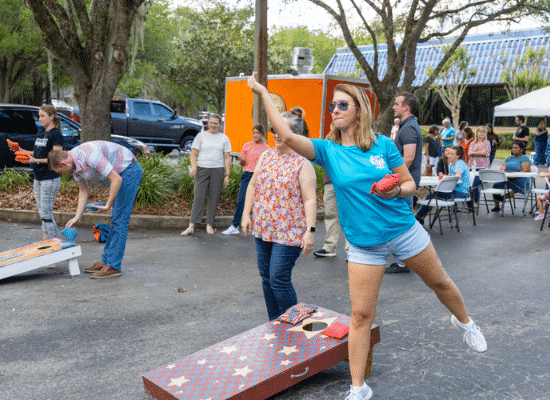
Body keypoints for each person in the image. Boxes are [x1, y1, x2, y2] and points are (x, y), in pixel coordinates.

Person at [247, 72, 487, 400]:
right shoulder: (328, 150)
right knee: (360, 316)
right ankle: (359, 388)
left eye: (342, 104)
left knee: (440, 283)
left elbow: (409, 184)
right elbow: (286, 136)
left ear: (359, 110)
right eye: (332, 105)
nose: (335, 109)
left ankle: (466, 324)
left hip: (403, 231)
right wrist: (262, 92)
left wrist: (395, 191)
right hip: (364, 244)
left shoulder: (384, 145)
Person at [241, 112, 317, 321]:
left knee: (278, 278)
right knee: (266, 278)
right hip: (263, 228)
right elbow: (253, 185)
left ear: (294, 134)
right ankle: (275, 323)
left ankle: (295, 324)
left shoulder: (303, 163)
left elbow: (310, 200)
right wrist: (246, 214)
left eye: (282, 129)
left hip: (289, 232)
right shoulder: (266, 156)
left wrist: (309, 232)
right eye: (275, 129)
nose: (275, 134)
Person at [47, 141, 143, 279]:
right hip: (119, 173)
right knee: (115, 219)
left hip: (129, 170)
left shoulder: (89, 155)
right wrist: (77, 216)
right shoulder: (74, 165)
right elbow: (83, 189)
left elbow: (117, 179)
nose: (62, 174)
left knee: (119, 220)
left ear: (63, 163)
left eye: (61, 172)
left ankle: (113, 266)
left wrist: (108, 205)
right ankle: (106, 262)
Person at [10, 105, 64, 239]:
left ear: (51, 117)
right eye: (39, 116)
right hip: (38, 177)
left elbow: (56, 159)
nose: (39, 119)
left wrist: (36, 161)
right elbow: (38, 152)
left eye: (42, 116)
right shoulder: (41, 132)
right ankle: (45, 242)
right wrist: (22, 151)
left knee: (46, 214)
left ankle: (52, 243)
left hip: (49, 178)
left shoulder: (56, 135)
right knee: (42, 213)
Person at [388, 92, 423, 274]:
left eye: (396, 104)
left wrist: (393, 177)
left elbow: (408, 158)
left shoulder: (409, 128)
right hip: (405, 181)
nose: (394, 107)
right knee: (403, 218)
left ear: (406, 107)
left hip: (405, 182)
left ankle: (404, 262)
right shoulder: (407, 126)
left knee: (404, 221)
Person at [181, 114, 231, 235]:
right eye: (211, 123)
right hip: (202, 168)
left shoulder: (224, 138)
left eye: (216, 123)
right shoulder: (201, 136)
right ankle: (191, 225)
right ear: (208, 123)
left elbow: (227, 158)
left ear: (220, 125)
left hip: (217, 169)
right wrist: (194, 168)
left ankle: (209, 224)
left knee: (213, 198)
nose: (213, 125)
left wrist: (227, 174)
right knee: (199, 197)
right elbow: (193, 154)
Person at [222, 125, 269, 235]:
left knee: (258, 203)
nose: (255, 135)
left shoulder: (267, 148)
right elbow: (243, 163)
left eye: (258, 133)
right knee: (241, 201)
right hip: (247, 175)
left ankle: (256, 226)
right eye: (254, 133)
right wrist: (241, 159)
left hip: (259, 177)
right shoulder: (247, 146)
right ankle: (234, 226)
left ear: (262, 134)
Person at [415, 146, 471, 225]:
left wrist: (445, 176)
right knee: (431, 195)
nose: (449, 155)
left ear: (457, 156)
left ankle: (418, 216)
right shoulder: (452, 164)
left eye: (452, 154)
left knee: (430, 196)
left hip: (461, 192)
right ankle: (420, 216)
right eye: (449, 153)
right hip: (454, 190)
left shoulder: (459, 163)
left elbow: (457, 177)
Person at [313, 174, 349, 257]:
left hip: (346, 180)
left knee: (348, 215)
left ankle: (350, 250)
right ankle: (329, 247)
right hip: (329, 181)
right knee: (330, 215)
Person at [491, 142, 531, 212]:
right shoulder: (509, 158)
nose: (513, 149)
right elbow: (503, 167)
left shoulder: (524, 158)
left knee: (512, 190)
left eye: (516, 148)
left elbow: (525, 171)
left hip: (520, 180)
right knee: (495, 185)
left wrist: (514, 175)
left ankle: (501, 198)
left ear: (521, 150)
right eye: (513, 148)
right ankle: (497, 206)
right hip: (508, 178)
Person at [468, 128, 491, 208]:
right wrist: (478, 153)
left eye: (483, 132)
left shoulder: (487, 142)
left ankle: (475, 201)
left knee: (475, 183)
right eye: (480, 132)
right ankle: (471, 200)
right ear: (477, 133)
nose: (482, 134)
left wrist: (473, 153)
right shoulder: (473, 143)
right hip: (472, 166)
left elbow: (485, 153)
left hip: (482, 167)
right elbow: (469, 154)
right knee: (470, 183)